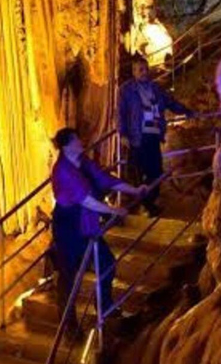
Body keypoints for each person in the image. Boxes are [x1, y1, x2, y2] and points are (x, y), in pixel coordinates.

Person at [50, 128, 147, 330]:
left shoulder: (84, 162)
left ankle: (105, 306)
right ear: (67, 146)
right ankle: (68, 324)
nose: (81, 141)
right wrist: (114, 211)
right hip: (69, 228)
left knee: (107, 263)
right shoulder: (63, 171)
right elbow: (86, 200)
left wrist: (134, 190)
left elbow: (106, 180)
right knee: (70, 277)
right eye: (77, 139)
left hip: (88, 224)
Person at [118, 56, 193, 217]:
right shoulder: (127, 90)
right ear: (134, 72)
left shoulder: (156, 89)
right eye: (140, 70)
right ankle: (144, 205)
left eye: (146, 69)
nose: (144, 73)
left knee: (157, 172)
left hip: (153, 135)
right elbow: (121, 113)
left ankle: (147, 203)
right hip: (137, 136)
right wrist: (123, 133)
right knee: (141, 172)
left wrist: (186, 111)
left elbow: (170, 102)